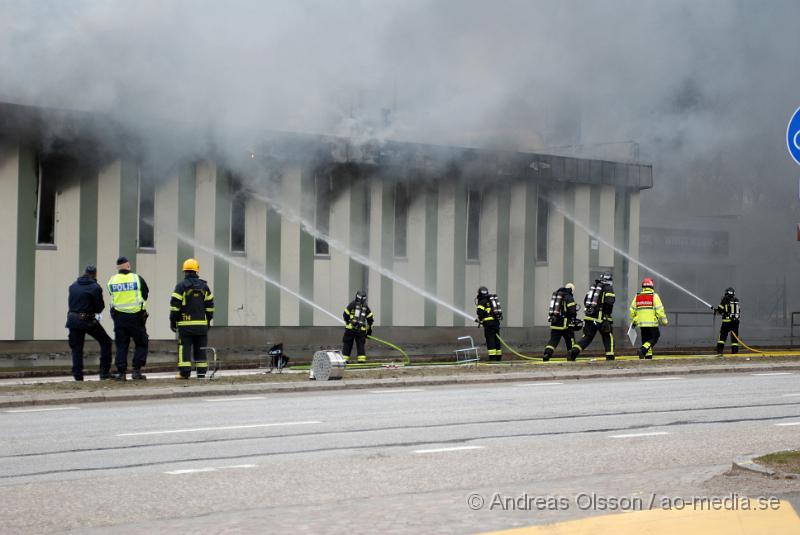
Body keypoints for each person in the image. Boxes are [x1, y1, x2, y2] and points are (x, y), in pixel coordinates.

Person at [65, 264, 113, 381]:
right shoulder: (95, 287)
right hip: (87, 320)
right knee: (106, 342)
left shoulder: (73, 286)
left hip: (72, 319)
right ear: (95, 274)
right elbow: (99, 308)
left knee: (77, 348)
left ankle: (78, 376)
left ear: (84, 272)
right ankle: (104, 372)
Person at [170, 258, 214, 379]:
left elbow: (175, 307)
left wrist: (172, 321)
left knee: (184, 348)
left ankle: (184, 373)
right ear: (196, 271)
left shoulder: (180, 287)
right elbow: (210, 307)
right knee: (200, 349)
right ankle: (201, 373)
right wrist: (208, 321)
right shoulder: (205, 287)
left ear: (185, 271)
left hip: (185, 325)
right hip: (201, 326)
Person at [107, 256, 149, 380]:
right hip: (136, 318)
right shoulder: (137, 278)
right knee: (142, 343)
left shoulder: (112, 280)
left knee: (121, 345)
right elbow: (145, 294)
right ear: (128, 266)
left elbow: (112, 295)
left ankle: (121, 373)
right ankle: (136, 371)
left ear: (117, 268)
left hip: (119, 318)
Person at [570, 273, 616, 361]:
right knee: (608, 336)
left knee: (587, 337)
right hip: (601, 318)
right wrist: (606, 316)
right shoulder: (608, 288)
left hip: (589, 317)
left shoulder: (593, 288)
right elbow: (609, 303)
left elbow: (585, 301)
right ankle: (610, 357)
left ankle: (574, 351)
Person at [629, 277, 668, 359]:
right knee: (655, 337)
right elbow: (660, 310)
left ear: (643, 287)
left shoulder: (637, 296)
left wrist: (635, 320)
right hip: (652, 324)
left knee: (646, 340)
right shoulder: (654, 296)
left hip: (642, 324)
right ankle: (643, 350)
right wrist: (664, 320)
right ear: (652, 286)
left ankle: (648, 356)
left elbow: (632, 310)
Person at [543, 283, 579, 361]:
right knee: (570, 340)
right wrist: (574, 319)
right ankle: (571, 356)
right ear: (571, 290)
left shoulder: (557, 296)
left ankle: (547, 354)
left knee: (553, 341)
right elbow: (572, 311)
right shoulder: (568, 297)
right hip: (566, 324)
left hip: (555, 323)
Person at [342, 291, 373, 363]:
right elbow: (370, 320)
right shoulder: (366, 307)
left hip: (350, 329)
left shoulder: (352, 304)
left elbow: (345, 315)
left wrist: (348, 322)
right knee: (360, 345)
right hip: (361, 331)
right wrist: (369, 331)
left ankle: (345, 360)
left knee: (347, 344)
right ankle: (361, 360)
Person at [475, 286, 503, 361]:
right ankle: (498, 357)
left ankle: (492, 358)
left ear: (479, 293)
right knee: (497, 340)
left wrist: (481, 320)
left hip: (489, 325)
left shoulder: (482, 301)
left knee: (490, 340)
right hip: (496, 323)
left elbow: (479, 313)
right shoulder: (491, 300)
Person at [712, 287, 740, 355]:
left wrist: (716, 310)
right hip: (735, 322)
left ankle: (720, 351)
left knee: (722, 337)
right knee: (734, 339)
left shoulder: (725, 300)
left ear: (727, 293)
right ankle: (735, 352)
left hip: (726, 322)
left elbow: (720, 310)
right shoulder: (736, 300)